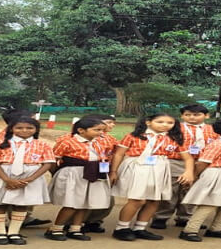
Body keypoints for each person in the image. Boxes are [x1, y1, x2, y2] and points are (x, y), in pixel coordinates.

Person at [110, 113, 191, 241]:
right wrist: (113, 171)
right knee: (137, 200)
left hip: (159, 167)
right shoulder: (134, 136)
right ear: (148, 122)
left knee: (154, 200)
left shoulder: (174, 138)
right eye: (160, 122)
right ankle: (121, 228)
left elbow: (188, 158)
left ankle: (140, 228)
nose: (165, 125)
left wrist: (189, 172)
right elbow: (119, 154)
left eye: (170, 123)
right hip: (138, 167)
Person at [0, 117, 56, 245]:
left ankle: (14, 232)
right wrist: (6, 179)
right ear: (11, 129)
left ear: (36, 130)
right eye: (19, 128)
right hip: (3, 176)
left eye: (29, 128)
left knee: (21, 204)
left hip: (30, 177)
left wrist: (30, 179)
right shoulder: (0, 143)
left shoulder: (42, 145)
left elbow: (48, 163)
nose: (24, 130)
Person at [178, 118, 221, 242]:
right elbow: (203, 162)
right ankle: (190, 230)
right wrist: (195, 175)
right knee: (210, 202)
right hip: (218, 173)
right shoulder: (218, 144)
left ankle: (217, 229)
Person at [48, 116, 113, 241]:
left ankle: (75, 228)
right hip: (74, 174)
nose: (100, 133)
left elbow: (105, 157)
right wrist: (56, 173)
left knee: (85, 203)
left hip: (93, 173)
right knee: (71, 203)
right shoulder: (68, 142)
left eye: (102, 130)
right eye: (97, 130)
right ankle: (56, 228)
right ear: (81, 130)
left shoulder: (99, 143)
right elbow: (54, 159)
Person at [152, 103, 213, 229]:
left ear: (206, 115)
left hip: (200, 163)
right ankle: (161, 216)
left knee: (192, 190)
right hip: (176, 161)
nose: (192, 117)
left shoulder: (212, 129)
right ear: (182, 116)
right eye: (188, 115)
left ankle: (185, 217)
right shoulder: (176, 128)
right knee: (171, 189)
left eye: (196, 115)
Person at [81, 114, 120, 233]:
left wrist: (113, 171)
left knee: (106, 198)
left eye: (113, 122)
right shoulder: (81, 138)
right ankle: (75, 222)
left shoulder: (110, 139)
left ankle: (94, 221)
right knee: (84, 197)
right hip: (85, 170)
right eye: (108, 122)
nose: (112, 125)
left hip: (103, 169)